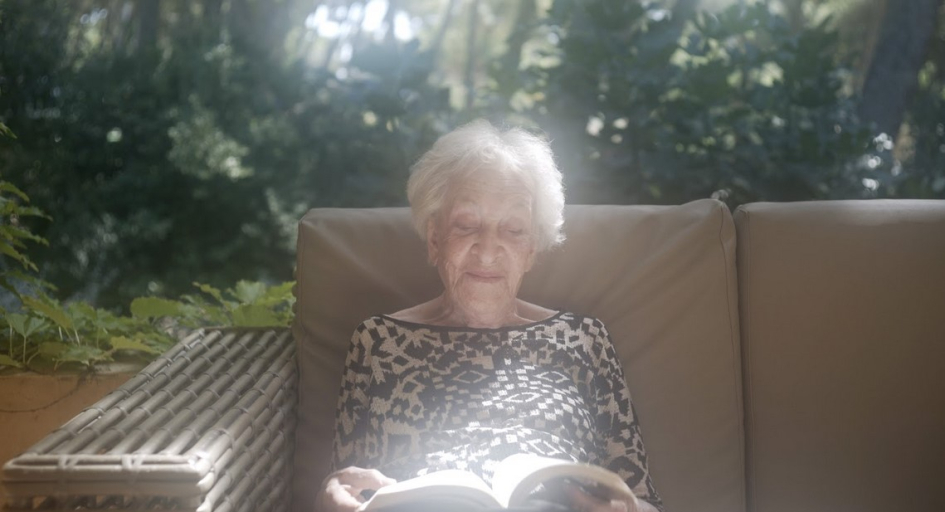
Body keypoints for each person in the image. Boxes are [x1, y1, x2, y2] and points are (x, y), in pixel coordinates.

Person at [315, 120, 662, 512]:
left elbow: (643, 499)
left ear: (531, 249)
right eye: (467, 225)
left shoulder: (582, 339)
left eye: (513, 230)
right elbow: (347, 487)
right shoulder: (377, 342)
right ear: (434, 239)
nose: (487, 250)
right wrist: (330, 501)